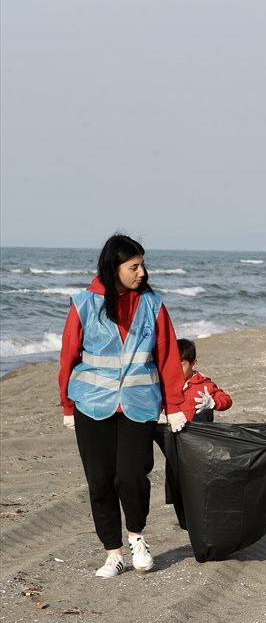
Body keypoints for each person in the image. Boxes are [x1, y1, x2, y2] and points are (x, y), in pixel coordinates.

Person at [58, 234, 187, 578]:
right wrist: (67, 406)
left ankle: (136, 536)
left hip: (139, 404)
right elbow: (69, 356)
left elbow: (168, 355)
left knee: (130, 476)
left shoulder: (153, 305)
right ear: (114, 268)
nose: (142, 272)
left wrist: (175, 404)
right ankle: (112, 552)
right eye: (134, 266)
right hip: (91, 404)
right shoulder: (84, 303)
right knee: (99, 481)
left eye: (143, 264)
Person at [177, 338, 233, 423]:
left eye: (181, 365)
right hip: (171, 428)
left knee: (205, 411)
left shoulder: (203, 385)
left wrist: (212, 402)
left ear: (193, 364)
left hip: (194, 431)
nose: (176, 369)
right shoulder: (166, 384)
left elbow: (226, 400)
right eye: (172, 365)